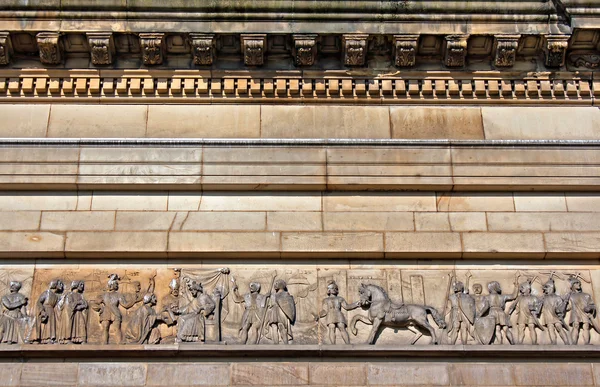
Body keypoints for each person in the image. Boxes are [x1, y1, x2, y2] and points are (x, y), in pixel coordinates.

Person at [93, 274, 148, 344]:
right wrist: (100, 308)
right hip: (106, 312)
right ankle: (104, 343)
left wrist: (135, 299)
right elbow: (95, 304)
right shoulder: (103, 295)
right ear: (111, 285)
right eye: (115, 284)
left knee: (117, 328)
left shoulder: (118, 295)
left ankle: (119, 342)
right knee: (105, 328)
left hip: (115, 312)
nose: (117, 286)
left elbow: (125, 304)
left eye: (117, 284)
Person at [315, 280, 359, 344]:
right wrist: (318, 315)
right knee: (331, 327)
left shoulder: (340, 298)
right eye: (332, 288)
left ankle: (347, 344)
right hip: (330, 314)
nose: (334, 290)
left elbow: (347, 307)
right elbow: (324, 311)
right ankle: (333, 345)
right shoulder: (326, 300)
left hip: (338, 314)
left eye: (335, 288)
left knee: (341, 327)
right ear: (328, 290)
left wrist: (356, 304)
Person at [479, 279, 518, 344]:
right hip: (501, 313)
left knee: (497, 329)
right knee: (506, 329)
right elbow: (514, 296)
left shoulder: (488, 297)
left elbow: (486, 307)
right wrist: (516, 286)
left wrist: (480, 314)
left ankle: (500, 343)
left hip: (493, 312)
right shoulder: (503, 296)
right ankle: (512, 342)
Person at [565, 276, 598, 345]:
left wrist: (589, 308)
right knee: (576, 326)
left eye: (579, 283)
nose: (578, 284)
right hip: (575, 313)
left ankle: (586, 343)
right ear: (572, 286)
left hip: (584, 313)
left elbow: (593, 305)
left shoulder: (586, 295)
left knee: (586, 326)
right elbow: (568, 307)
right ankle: (573, 343)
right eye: (576, 283)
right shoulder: (570, 296)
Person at [30, 279, 64, 344]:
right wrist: (42, 311)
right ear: (55, 285)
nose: (61, 286)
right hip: (45, 309)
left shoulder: (56, 296)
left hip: (51, 311)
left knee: (50, 325)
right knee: (45, 325)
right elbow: (39, 302)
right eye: (60, 284)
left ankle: (50, 338)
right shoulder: (47, 293)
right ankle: (43, 339)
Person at [265, 279, 295, 344]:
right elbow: (268, 305)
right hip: (273, 311)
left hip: (281, 311)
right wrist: (266, 297)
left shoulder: (286, 294)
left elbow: (288, 306)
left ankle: (286, 343)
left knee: (281, 327)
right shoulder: (272, 295)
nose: (274, 285)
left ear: (280, 285)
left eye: (276, 283)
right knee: (274, 327)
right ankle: (276, 344)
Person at [540, 278, 570, 345]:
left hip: (555, 315)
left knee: (559, 327)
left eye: (546, 288)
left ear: (551, 287)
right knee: (550, 328)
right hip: (547, 315)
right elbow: (538, 306)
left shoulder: (557, 297)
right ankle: (553, 343)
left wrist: (565, 303)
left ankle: (567, 343)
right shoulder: (543, 297)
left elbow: (561, 308)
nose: (545, 290)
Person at [446, 281, 475, 345]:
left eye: (456, 286)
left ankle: (464, 344)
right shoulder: (452, 297)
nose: (455, 288)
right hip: (455, 312)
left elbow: (471, 306)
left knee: (463, 328)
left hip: (464, 313)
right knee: (456, 328)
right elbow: (448, 308)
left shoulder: (467, 297)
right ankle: (452, 343)